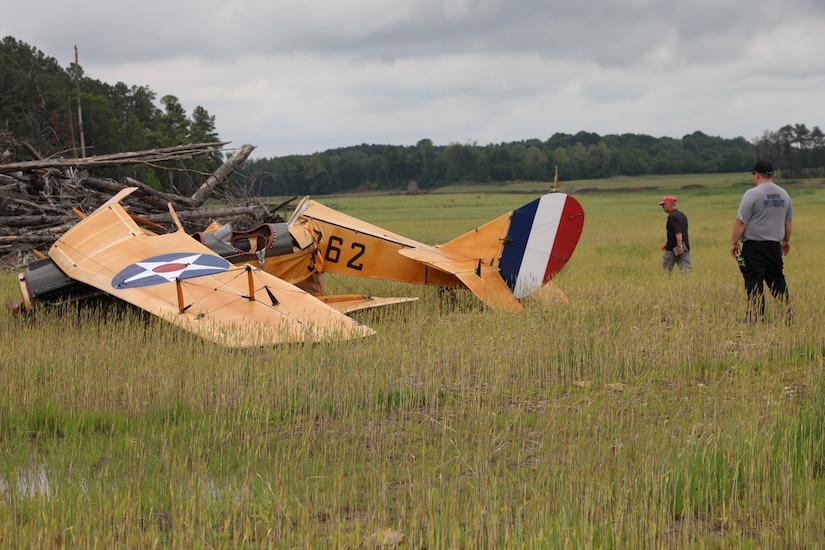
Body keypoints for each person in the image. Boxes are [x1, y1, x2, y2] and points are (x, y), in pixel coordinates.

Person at [729, 160, 793, 322]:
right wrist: (785, 241)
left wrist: (734, 243)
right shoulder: (784, 194)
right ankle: (787, 315)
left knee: (754, 280)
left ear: (756, 174)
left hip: (754, 246)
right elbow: (788, 222)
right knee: (777, 280)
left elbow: (741, 222)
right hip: (774, 247)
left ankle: (756, 317)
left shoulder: (752, 194)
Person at [659, 195, 691, 272]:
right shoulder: (682, 215)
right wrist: (667, 244)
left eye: (663, 205)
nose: (662, 207)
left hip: (674, 248)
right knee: (686, 270)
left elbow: (678, 232)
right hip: (685, 245)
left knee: (665, 271)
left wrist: (679, 246)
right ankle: (689, 283)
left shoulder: (672, 217)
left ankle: (665, 283)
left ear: (669, 204)